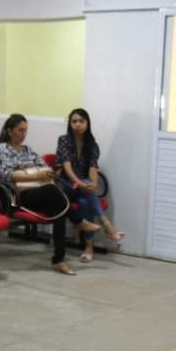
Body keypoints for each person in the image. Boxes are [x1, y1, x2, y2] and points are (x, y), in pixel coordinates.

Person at [0, 114, 96, 276]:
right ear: (9, 131)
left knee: (59, 211)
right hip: (16, 196)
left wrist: (52, 173)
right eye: (20, 130)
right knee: (53, 191)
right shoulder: (2, 149)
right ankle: (78, 221)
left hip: (37, 192)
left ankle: (59, 260)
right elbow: (8, 175)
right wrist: (36, 176)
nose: (23, 134)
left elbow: (43, 167)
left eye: (25, 130)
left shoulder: (27, 149)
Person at [55, 108, 124, 262]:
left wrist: (92, 183)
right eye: (74, 121)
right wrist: (80, 183)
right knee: (84, 187)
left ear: (87, 123)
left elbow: (92, 168)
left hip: (82, 189)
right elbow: (67, 168)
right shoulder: (64, 140)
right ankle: (106, 224)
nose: (78, 124)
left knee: (84, 203)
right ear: (70, 124)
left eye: (81, 121)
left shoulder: (92, 144)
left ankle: (89, 247)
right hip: (65, 185)